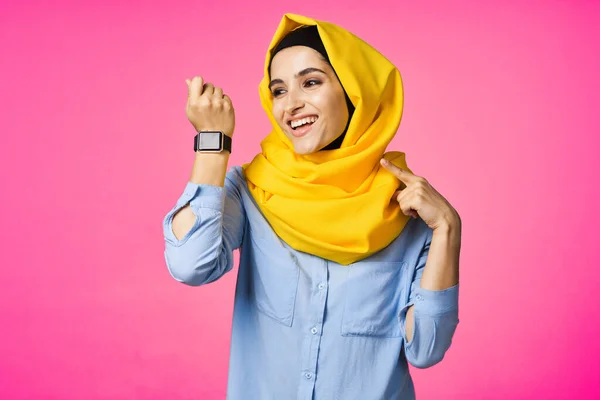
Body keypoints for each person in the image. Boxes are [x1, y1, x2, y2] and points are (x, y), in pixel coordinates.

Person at [163, 13, 462, 400]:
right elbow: (190, 265)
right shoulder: (252, 191)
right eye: (279, 90)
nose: (291, 104)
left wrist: (448, 229)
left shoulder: (406, 210)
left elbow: (425, 349)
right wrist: (211, 140)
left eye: (311, 82)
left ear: (354, 91)